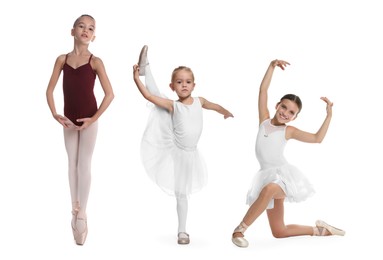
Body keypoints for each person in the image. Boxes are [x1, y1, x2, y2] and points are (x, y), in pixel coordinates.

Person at [231, 59, 345, 248]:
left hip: (282, 176)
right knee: (279, 232)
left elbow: (317, 138)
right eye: (284, 107)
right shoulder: (264, 121)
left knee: (268, 190)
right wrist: (271, 66)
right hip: (266, 174)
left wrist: (329, 116)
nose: (285, 113)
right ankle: (320, 230)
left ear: (294, 117)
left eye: (291, 112)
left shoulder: (288, 131)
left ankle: (239, 230)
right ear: (277, 105)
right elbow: (263, 91)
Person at [133, 45, 233, 245]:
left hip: (191, 154)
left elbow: (215, 106)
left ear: (194, 85)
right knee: (181, 193)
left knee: (183, 192)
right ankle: (182, 231)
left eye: (188, 82)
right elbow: (149, 96)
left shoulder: (200, 101)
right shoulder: (174, 105)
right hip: (177, 152)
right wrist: (136, 80)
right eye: (179, 82)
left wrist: (226, 112)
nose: (184, 85)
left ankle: (147, 69)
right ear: (173, 87)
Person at [45, 14, 114, 245]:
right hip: (68, 120)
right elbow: (49, 90)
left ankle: (82, 213)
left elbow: (110, 94)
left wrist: (93, 119)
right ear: (72, 31)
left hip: (88, 120)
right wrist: (56, 114)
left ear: (94, 36)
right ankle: (73, 209)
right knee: (71, 162)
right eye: (81, 26)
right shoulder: (61, 60)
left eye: (91, 28)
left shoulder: (96, 61)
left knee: (84, 163)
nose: (86, 30)